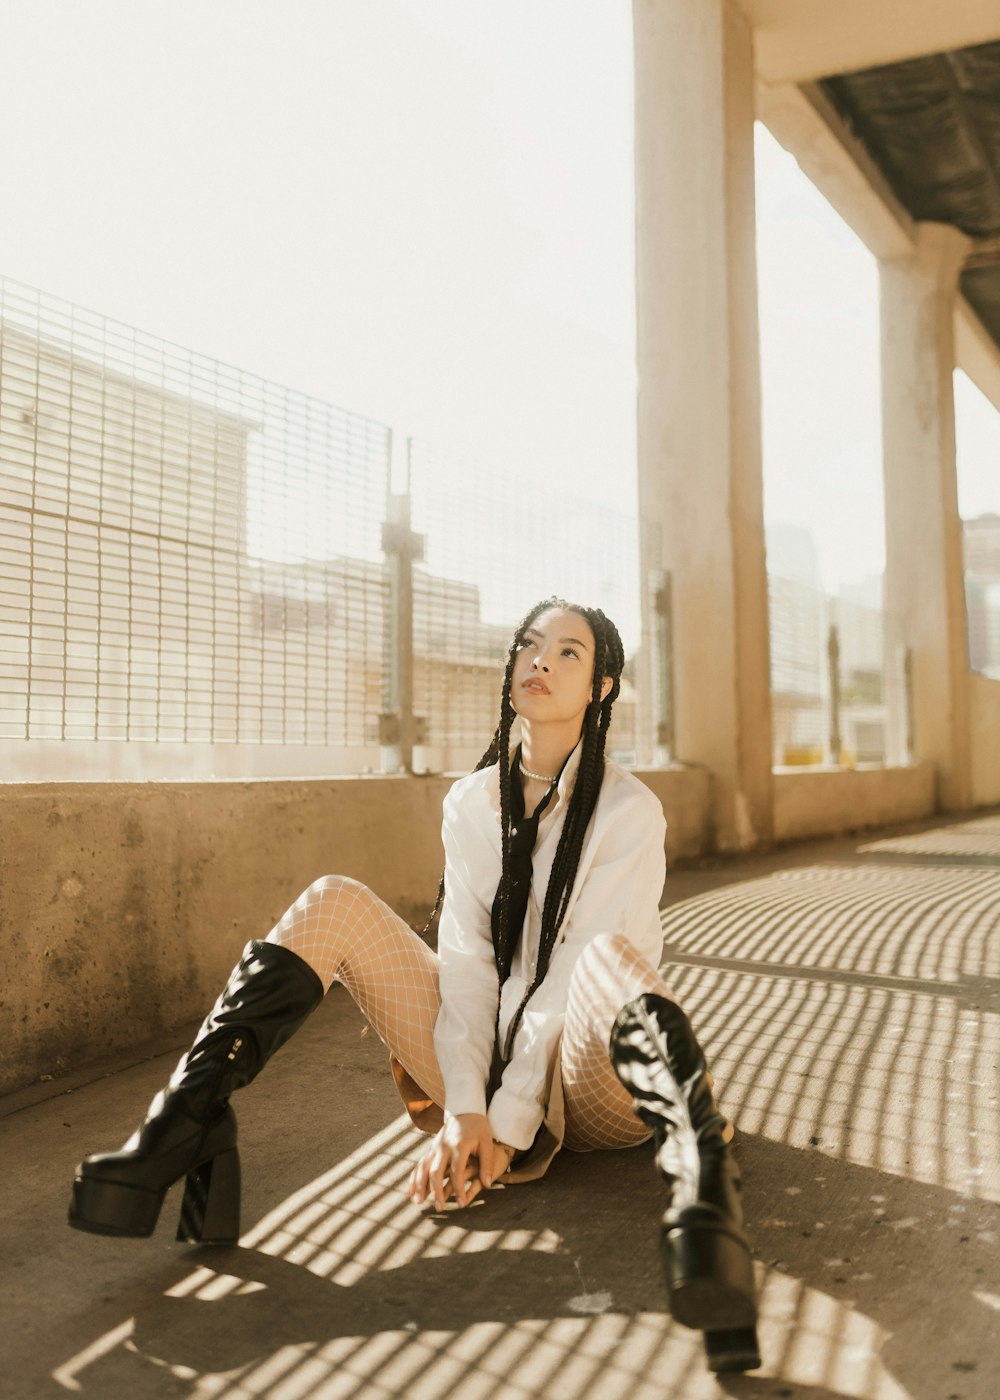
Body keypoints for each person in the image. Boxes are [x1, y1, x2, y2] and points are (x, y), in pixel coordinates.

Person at [68, 597, 760, 1374]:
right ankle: (183, 1125)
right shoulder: (471, 802)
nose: (540, 661)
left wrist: (503, 1124)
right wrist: (465, 1109)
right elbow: (465, 963)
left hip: (589, 1080)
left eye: (569, 653)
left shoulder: (630, 810)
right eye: (530, 644)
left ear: (602, 689)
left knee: (605, 957)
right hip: (487, 1060)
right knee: (333, 899)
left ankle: (702, 1195)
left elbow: (567, 980)